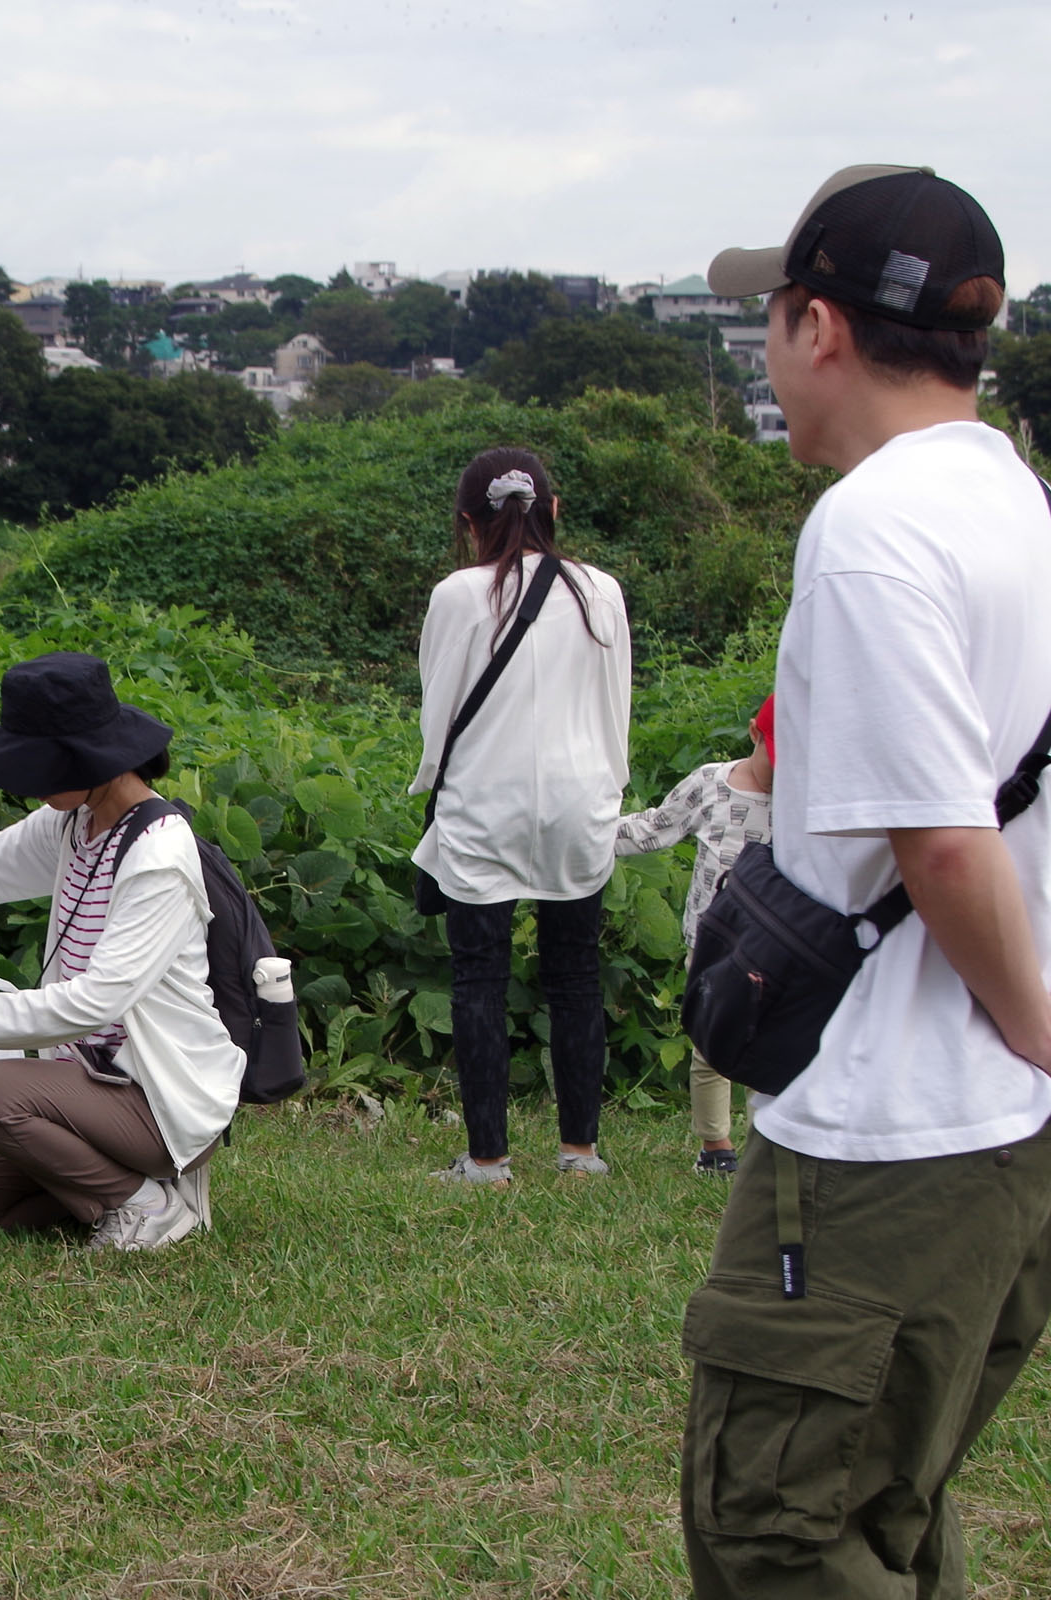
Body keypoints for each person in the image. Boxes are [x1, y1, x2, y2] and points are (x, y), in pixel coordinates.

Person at [681, 166, 1051, 1600]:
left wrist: (1028, 1018)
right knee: (887, 1509)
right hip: (997, 1143)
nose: (767, 355)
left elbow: (942, 837)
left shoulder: (876, 528)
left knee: (780, 1534)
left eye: (768, 319)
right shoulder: (1019, 502)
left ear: (819, 325)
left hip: (891, 1136)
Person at [0, 652, 243, 1250]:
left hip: (156, 1095)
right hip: (85, 1080)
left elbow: (91, 1005)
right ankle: (127, 1191)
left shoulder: (158, 854)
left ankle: (146, 1205)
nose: (28, 781)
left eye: (39, 763)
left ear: (91, 756)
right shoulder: (74, 823)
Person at [411, 447, 631, 1185]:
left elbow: (438, 712)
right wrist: (608, 789)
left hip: (486, 800)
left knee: (479, 977)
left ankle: (487, 1160)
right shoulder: (601, 591)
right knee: (575, 974)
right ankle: (581, 1153)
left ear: (469, 522)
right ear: (554, 511)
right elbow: (615, 706)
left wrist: (434, 790)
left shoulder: (458, 595)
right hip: (580, 797)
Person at [613, 698, 776, 1177]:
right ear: (754, 734)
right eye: (778, 759)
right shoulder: (711, 783)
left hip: (778, 949)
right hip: (713, 944)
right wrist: (588, 834)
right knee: (713, 1047)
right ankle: (716, 1147)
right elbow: (656, 827)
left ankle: (771, 1146)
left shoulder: (808, 797)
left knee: (773, 1046)